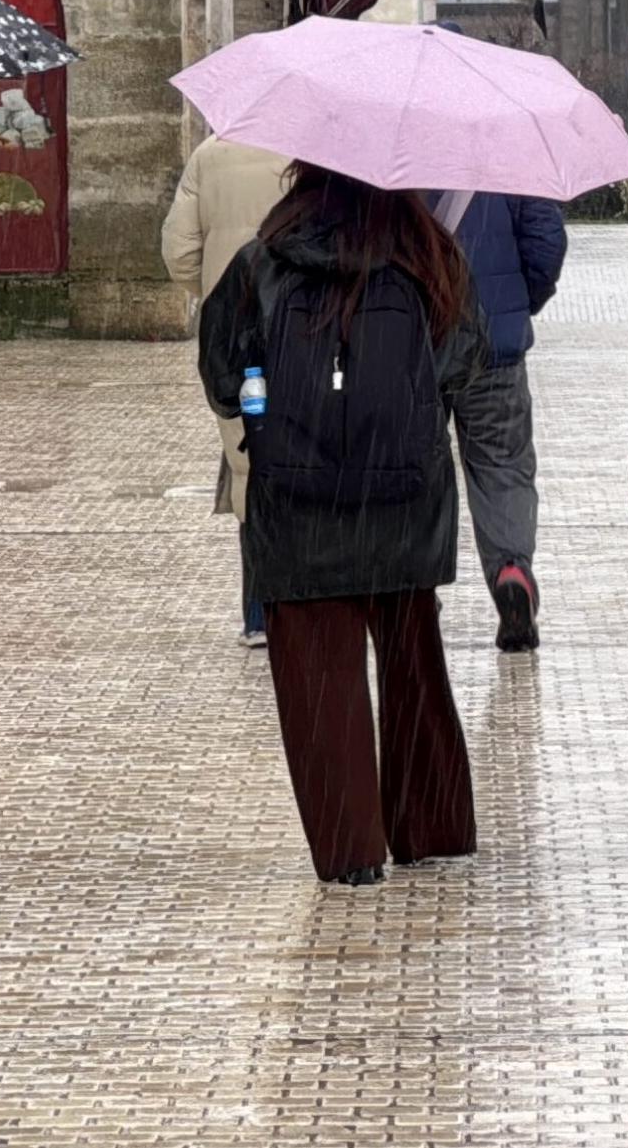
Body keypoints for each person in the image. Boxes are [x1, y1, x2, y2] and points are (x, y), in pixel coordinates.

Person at [198, 164, 485, 886]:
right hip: (403, 496)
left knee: (316, 678)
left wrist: (273, 402)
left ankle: (350, 846)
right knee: (413, 662)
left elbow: (221, 377)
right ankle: (430, 826)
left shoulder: (261, 261)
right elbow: (464, 361)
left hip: (295, 505)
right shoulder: (430, 257)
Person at [162, 133, 293, 647]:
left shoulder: (208, 155)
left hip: (237, 334)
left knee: (248, 461)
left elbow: (178, 253)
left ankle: (260, 614)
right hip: (306, 324)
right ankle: (312, 598)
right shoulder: (311, 152)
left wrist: (218, 293)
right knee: (312, 451)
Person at [433, 189, 567, 651]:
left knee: (416, 466)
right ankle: (511, 569)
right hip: (494, 344)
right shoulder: (509, 142)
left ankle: (416, 589)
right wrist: (516, 302)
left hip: (413, 340)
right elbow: (546, 241)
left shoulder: (395, 139)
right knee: (503, 465)